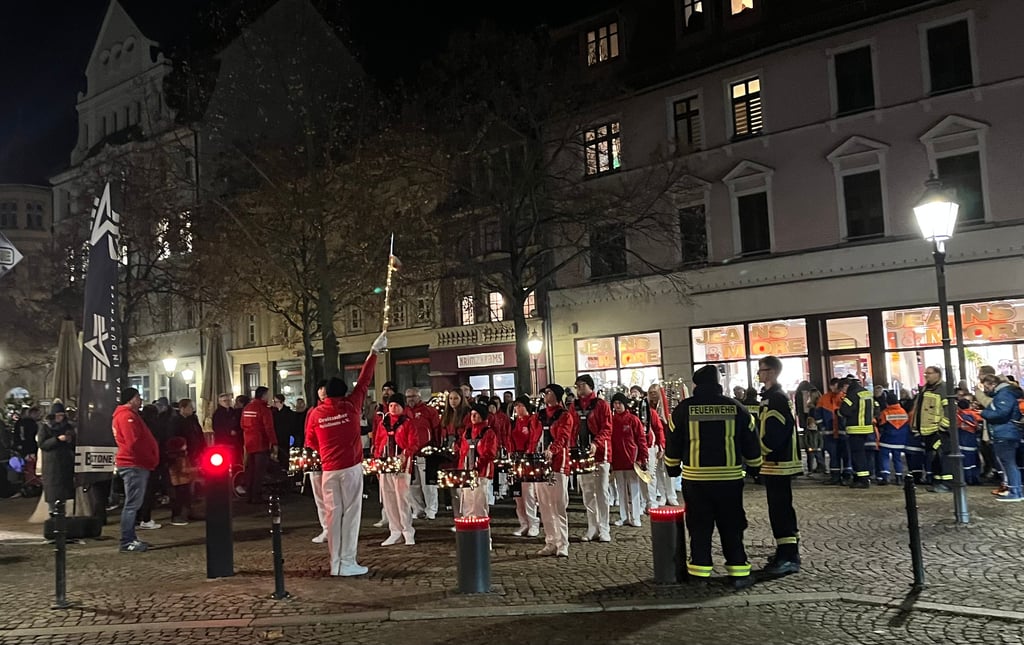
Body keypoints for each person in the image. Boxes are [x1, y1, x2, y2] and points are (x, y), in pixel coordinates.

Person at [666, 365, 762, 590]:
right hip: (729, 480)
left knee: (699, 527)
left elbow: (673, 442)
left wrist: (673, 469)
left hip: (696, 481)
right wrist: (755, 467)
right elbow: (751, 439)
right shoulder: (736, 407)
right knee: (732, 525)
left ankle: (700, 574)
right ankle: (738, 572)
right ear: (719, 384)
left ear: (696, 385)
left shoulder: (683, 409)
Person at [305, 332, 386, 575]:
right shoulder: (352, 405)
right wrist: (373, 352)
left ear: (326, 394)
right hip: (350, 467)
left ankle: (335, 563)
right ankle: (348, 562)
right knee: (351, 515)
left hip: (328, 470)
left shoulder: (316, 414)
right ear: (343, 392)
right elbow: (364, 380)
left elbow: (310, 441)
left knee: (332, 516)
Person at [756, 356, 802, 577]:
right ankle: (786, 551)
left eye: (762, 370)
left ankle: (789, 556)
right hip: (775, 463)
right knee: (780, 509)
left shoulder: (776, 398)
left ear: (772, 372)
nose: (759, 374)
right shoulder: (771, 397)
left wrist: (759, 451)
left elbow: (774, 432)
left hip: (778, 462)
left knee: (781, 510)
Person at [113, 388, 160, 553]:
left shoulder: (127, 415)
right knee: (132, 504)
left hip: (135, 464)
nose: (141, 400)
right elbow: (134, 443)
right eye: (138, 397)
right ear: (131, 399)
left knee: (133, 503)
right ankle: (127, 541)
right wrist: (149, 458)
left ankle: (130, 538)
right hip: (134, 464)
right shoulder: (127, 417)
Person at [374, 393, 420, 546]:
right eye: (391, 405)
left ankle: (407, 530)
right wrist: (377, 460)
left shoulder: (408, 423)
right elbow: (378, 441)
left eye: (396, 405)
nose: (393, 408)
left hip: (401, 465)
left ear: (402, 407)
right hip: (385, 464)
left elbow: (414, 443)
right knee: (388, 498)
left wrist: (404, 454)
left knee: (402, 499)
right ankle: (395, 531)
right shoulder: (383, 423)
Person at [535, 384, 575, 557]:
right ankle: (550, 541)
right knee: (544, 504)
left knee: (558, 504)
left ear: (557, 395)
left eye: (548, 392)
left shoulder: (565, 415)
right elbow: (533, 436)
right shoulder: (539, 415)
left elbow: (564, 437)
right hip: (540, 464)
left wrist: (552, 450)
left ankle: (563, 542)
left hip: (558, 464)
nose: (545, 395)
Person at [573, 374, 613, 543]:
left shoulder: (602, 405)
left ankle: (604, 527)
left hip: (600, 454)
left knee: (602, 491)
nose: (579, 389)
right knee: (588, 491)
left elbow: (607, 428)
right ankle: (592, 527)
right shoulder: (573, 406)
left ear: (590, 386)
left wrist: (596, 443)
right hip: (581, 453)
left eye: (581, 385)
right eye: (577, 386)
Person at [979, 373, 1023, 501]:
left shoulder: (1004, 395)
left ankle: (1015, 491)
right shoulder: (1006, 394)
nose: (985, 389)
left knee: (1008, 463)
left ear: (993, 384)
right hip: (1007, 432)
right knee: (1009, 463)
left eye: (986, 386)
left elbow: (1001, 413)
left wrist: (984, 413)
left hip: (1004, 432)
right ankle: (1015, 490)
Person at [910, 366, 952, 492]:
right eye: (925, 373)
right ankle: (937, 481)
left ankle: (947, 483)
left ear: (938, 374)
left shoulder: (943, 389)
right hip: (928, 430)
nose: (926, 375)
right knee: (934, 458)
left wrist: (943, 427)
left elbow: (949, 410)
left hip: (939, 431)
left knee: (942, 457)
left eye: (929, 373)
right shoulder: (926, 388)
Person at [456, 403, 499, 525]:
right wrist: (462, 470)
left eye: (476, 414)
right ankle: (469, 525)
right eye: (472, 414)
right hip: (467, 471)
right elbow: (463, 452)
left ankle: (481, 528)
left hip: (481, 472)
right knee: (468, 500)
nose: (473, 417)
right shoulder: (467, 432)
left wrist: (477, 466)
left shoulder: (488, 433)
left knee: (479, 501)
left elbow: (489, 453)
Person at [610, 393, 646, 528]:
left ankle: (636, 516)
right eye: (615, 403)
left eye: (619, 403)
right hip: (618, 460)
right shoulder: (612, 420)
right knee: (621, 489)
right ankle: (624, 516)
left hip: (633, 460)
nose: (617, 406)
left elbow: (641, 439)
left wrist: (643, 457)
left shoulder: (633, 420)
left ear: (625, 404)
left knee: (634, 489)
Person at [405, 388, 441, 521]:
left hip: (426, 453)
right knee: (413, 484)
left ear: (419, 396)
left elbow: (436, 429)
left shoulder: (429, 411)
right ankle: (418, 509)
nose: (410, 399)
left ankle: (431, 509)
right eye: (408, 397)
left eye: (413, 396)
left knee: (428, 484)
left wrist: (436, 446)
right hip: (410, 453)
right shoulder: (405, 412)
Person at [509, 395, 541, 537]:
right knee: (518, 494)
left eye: (521, 405)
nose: (518, 408)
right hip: (516, 459)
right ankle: (523, 523)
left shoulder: (532, 421)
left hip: (528, 459)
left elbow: (534, 439)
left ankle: (533, 523)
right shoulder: (514, 422)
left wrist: (528, 453)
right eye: (516, 406)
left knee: (528, 493)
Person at [839, 376, 877, 489]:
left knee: (857, 454)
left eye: (843, 389)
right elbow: (876, 407)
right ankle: (861, 476)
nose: (843, 392)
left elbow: (844, 410)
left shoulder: (852, 394)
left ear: (846, 385)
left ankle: (862, 479)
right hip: (867, 428)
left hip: (855, 428)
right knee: (863, 453)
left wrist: (838, 413)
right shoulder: (866, 393)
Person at [241, 387, 277, 503]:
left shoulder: (247, 408)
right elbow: (269, 428)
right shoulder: (264, 409)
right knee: (259, 472)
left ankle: (249, 495)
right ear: (263, 395)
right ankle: (256, 496)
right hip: (261, 443)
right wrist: (274, 443)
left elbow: (242, 424)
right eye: (268, 395)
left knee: (250, 470)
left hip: (249, 443)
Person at [37, 402, 76, 510]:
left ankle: (62, 514)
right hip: (52, 465)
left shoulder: (68, 426)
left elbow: (74, 444)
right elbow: (42, 444)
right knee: (53, 492)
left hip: (65, 463)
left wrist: (70, 439)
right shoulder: (45, 427)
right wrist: (57, 440)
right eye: (58, 415)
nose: (60, 417)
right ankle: (53, 514)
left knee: (64, 492)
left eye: (62, 415)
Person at [306, 379, 330, 543]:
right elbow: (309, 435)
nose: (322, 392)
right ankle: (326, 528)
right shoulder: (313, 411)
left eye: (325, 389)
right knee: (320, 496)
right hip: (316, 456)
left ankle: (334, 528)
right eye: (320, 388)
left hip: (330, 458)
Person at [819, 378, 850, 484]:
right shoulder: (824, 398)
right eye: (834, 386)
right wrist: (822, 427)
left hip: (843, 432)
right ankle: (835, 476)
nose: (836, 389)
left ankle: (847, 476)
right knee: (834, 455)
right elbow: (818, 414)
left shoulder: (845, 397)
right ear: (830, 386)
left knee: (846, 454)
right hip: (830, 432)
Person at [877, 391, 910, 485]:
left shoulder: (885, 412)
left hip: (887, 440)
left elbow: (881, 424)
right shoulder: (903, 411)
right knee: (897, 459)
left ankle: (885, 477)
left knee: (884, 458)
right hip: (899, 440)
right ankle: (899, 477)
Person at [212, 393, 242, 464]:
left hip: (234, 440)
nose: (227, 402)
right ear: (220, 402)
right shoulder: (217, 414)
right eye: (224, 401)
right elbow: (216, 428)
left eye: (229, 400)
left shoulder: (233, 411)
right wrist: (228, 432)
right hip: (223, 441)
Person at [272, 394, 297, 471]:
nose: (274, 404)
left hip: (285, 436)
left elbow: (291, 426)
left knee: (285, 453)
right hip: (278, 436)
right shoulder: (274, 412)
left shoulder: (288, 413)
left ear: (281, 402)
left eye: (276, 402)